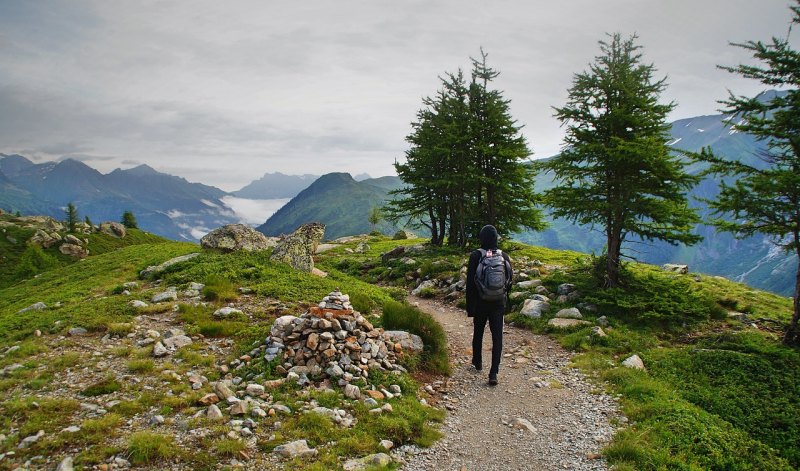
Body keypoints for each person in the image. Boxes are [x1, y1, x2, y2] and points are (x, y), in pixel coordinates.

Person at [466, 224, 512, 386]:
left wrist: (470, 307)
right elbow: (509, 280)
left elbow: (470, 284)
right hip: (498, 303)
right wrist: (505, 301)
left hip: (481, 301)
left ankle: (477, 361)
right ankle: (493, 373)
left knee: (478, 331)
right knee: (497, 336)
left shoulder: (476, 255)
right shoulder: (504, 256)